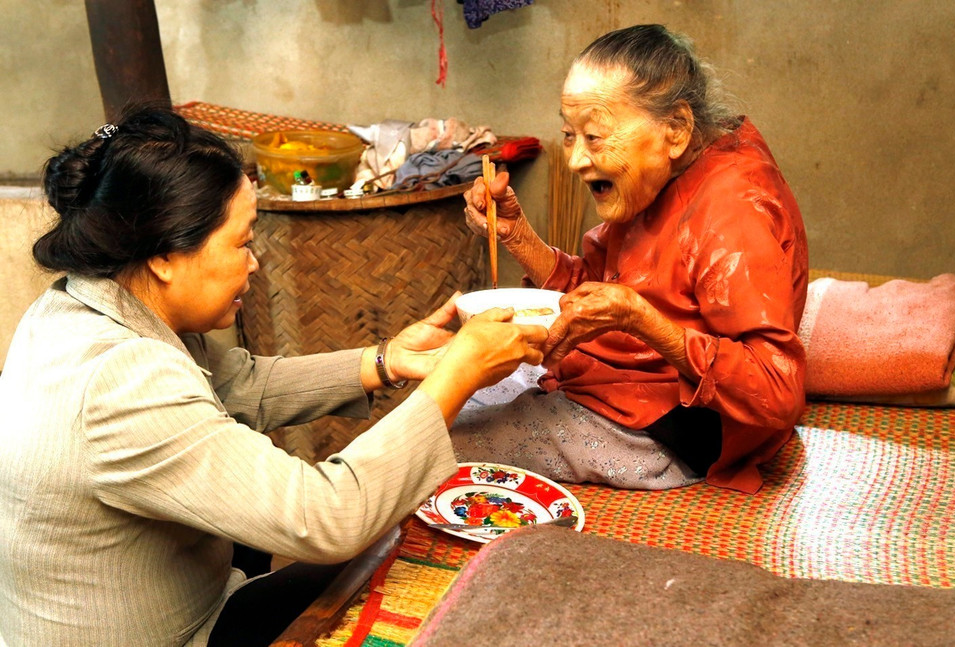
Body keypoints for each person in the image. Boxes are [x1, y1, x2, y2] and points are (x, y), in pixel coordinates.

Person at [0, 105, 547, 647]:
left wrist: (388, 361)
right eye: (241, 242)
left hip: (184, 592)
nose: (255, 262)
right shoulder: (120, 380)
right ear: (166, 255)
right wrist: (454, 379)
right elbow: (329, 514)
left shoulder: (82, 302)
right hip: (175, 633)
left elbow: (239, 385)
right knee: (392, 566)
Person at [455, 24, 808, 495]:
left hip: (671, 430)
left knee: (440, 441)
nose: (577, 160)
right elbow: (603, 291)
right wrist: (517, 236)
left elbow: (777, 389)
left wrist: (641, 320)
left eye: (595, 137)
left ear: (676, 129)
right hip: (615, 379)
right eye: (568, 134)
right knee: (454, 379)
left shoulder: (732, 209)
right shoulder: (657, 178)